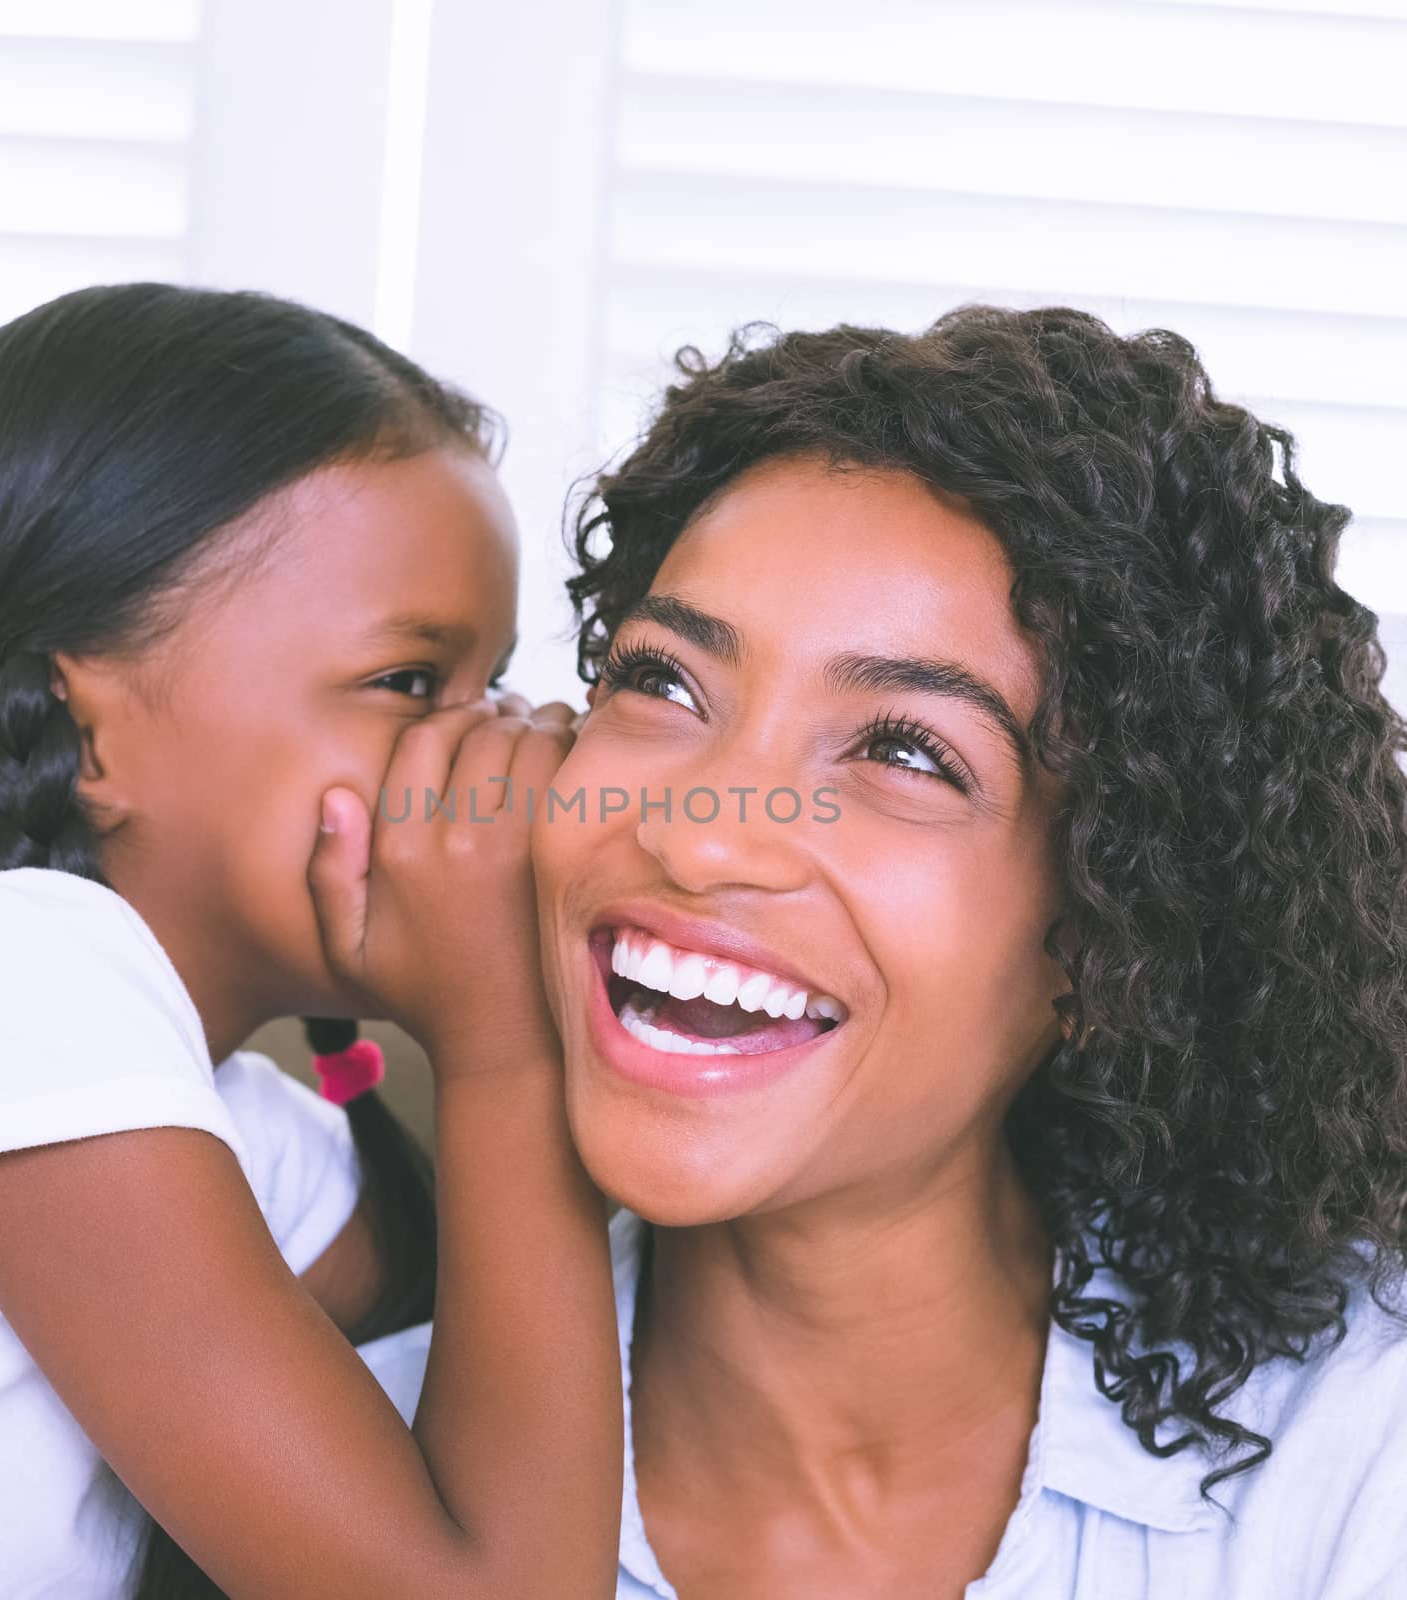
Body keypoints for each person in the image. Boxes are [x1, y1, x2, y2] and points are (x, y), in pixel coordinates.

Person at [365, 306, 1407, 1598]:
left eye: (905, 750)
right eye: (665, 682)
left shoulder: (1362, 1451)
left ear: (1117, 931)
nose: (702, 842)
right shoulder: (347, 1468)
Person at [0, 284, 621, 1599]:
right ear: (91, 733)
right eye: (411, 683)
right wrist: (499, 1042)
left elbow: (519, 1348)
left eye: (495, 687)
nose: (484, 753)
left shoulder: (245, 1139)